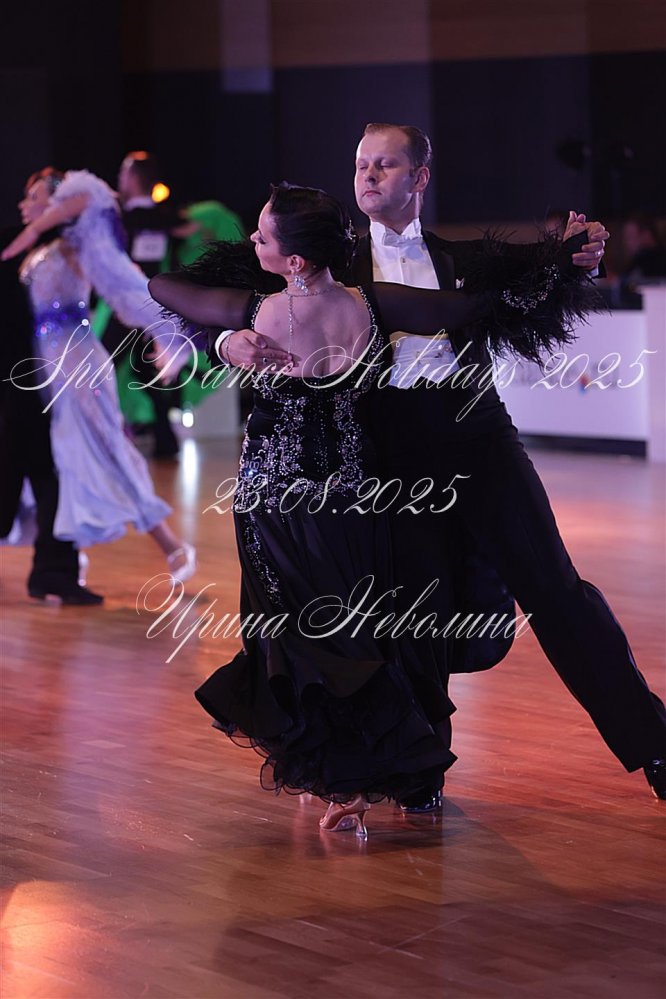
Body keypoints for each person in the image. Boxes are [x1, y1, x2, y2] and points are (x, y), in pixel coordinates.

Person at [216, 125, 666, 805]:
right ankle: (418, 774)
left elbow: (539, 279)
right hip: (388, 451)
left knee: (556, 591)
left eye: (385, 164)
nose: (368, 176)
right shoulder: (325, 258)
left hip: (478, 436)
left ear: (420, 177)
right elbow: (203, 296)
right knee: (413, 613)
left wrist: (581, 254)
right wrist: (227, 341)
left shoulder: (466, 259)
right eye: (361, 165)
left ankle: (654, 745)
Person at [149, 182, 600, 835]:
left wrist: (225, 343)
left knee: (298, 641)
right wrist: (557, 258)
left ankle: (342, 778)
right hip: (357, 500)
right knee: (354, 637)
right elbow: (474, 304)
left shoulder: (258, 309)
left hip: (275, 502)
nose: (250, 242)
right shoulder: (374, 302)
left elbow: (163, 286)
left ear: (294, 260)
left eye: (261, 236)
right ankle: (354, 775)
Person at [1, 167, 196, 586]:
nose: (24, 205)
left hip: (77, 362)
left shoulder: (80, 243)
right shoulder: (42, 247)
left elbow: (94, 201)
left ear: (56, 202)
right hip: (43, 363)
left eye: (34, 197)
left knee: (106, 449)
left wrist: (43, 221)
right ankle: (63, 553)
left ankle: (172, 545)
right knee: (60, 459)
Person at [0, 224, 103, 605]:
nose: (26, 206)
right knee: (27, 471)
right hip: (21, 377)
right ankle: (53, 572)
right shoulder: (23, 246)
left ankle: (54, 572)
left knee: (51, 472)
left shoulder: (49, 245)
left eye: (36, 198)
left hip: (40, 376)